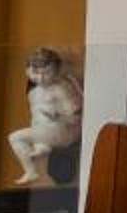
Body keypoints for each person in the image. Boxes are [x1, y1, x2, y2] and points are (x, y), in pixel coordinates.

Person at [9, 46, 85, 187]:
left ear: (56, 70)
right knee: (38, 116)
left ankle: (31, 171)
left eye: (47, 73)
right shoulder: (34, 92)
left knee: (15, 137)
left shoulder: (61, 88)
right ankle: (42, 146)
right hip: (49, 131)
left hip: (64, 131)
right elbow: (36, 117)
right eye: (36, 73)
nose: (41, 78)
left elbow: (76, 115)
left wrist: (57, 115)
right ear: (28, 71)